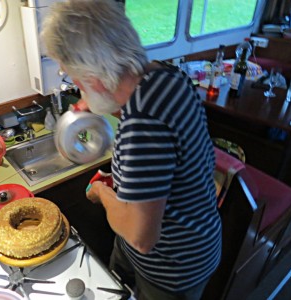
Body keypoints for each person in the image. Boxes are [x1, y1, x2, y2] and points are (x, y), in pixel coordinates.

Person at [41, 1, 222, 299]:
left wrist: (103, 193)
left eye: (74, 78)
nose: (75, 86)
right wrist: (100, 102)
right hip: (194, 237)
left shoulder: (142, 125)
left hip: (171, 266)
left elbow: (141, 237)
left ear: (95, 77)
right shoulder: (166, 76)